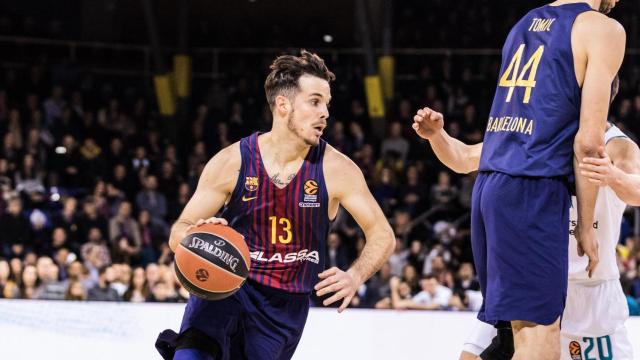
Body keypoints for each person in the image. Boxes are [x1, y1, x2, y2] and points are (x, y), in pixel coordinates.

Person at [413, 1, 625, 358]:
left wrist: (437, 137)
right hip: (532, 191)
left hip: (492, 190)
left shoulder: (523, 24)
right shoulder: (603, 29)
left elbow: (467, 158)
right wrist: (585, 226)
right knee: (539, 341)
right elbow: (588, 142)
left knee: (509, 341)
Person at [156, 50, 395, 360]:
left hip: (281, 311)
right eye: (314, 101)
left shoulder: (337, 169)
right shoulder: (232, 161)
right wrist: (197, 236)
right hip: (226, 288)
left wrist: (355, 275)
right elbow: (178, 231)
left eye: (327, 104)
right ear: (283, 105)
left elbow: (383, 235)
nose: (325, 113)